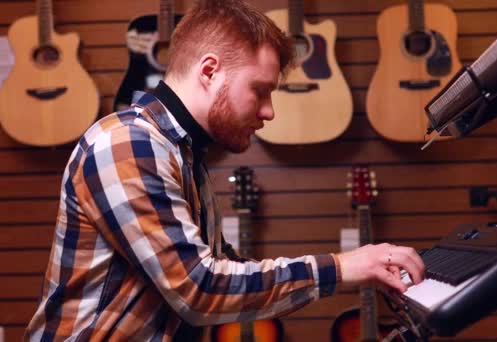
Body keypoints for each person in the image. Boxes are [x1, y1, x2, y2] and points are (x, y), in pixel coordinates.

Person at [25, 0, 425, 340]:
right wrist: (344, 266)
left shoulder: (181, 153)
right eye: (260, 90)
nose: (269, 111)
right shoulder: (129, 143)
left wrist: (356, 270)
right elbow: (201, 289)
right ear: (209, 71)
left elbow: (225, 272)